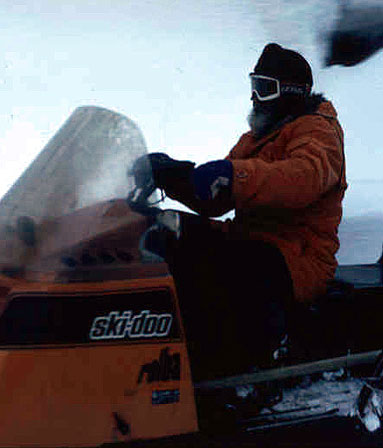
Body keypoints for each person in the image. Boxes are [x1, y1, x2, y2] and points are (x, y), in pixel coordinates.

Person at [145, 43, 347, 379]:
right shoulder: (256, 138)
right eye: (254, 86)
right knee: (168, 231)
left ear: (291, 93)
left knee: (232, 264)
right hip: (254, 240)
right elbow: (217, 200)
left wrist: (233, 175)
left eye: (264, 89)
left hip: (298, 258)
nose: (254, 98)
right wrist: (173, 174)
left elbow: (303, 178)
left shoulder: (318, 131)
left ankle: (246, 371)